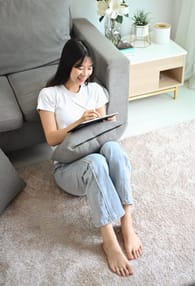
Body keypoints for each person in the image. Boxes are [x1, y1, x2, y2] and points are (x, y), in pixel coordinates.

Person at [37, 38, 142, 277]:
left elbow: (103, 135)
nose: (85, 73)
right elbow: (52, 139)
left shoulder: (95, 91)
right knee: (96, 163)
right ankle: (108, 240)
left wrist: (106, 122)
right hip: (67, 166)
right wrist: (79, 122)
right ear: (67, 65)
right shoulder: (49, 94)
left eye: (89, 68)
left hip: (97, 154)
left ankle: (127, 223)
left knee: (114, 149)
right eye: (79, 67)